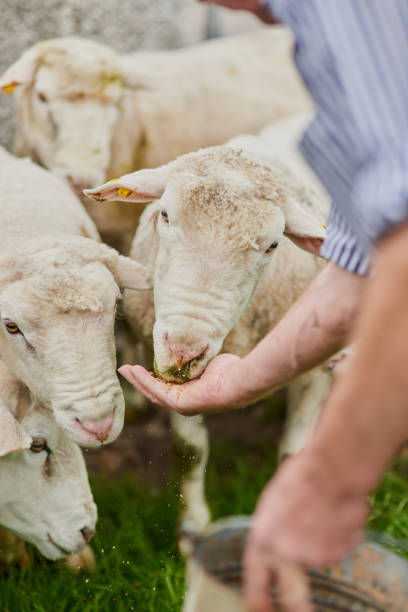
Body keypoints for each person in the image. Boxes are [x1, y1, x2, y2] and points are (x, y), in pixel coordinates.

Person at [119, 1, 408, 610]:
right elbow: (358, 269)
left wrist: (327, 484)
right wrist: (245, 382)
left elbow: (400, 257)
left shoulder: (348, 12)